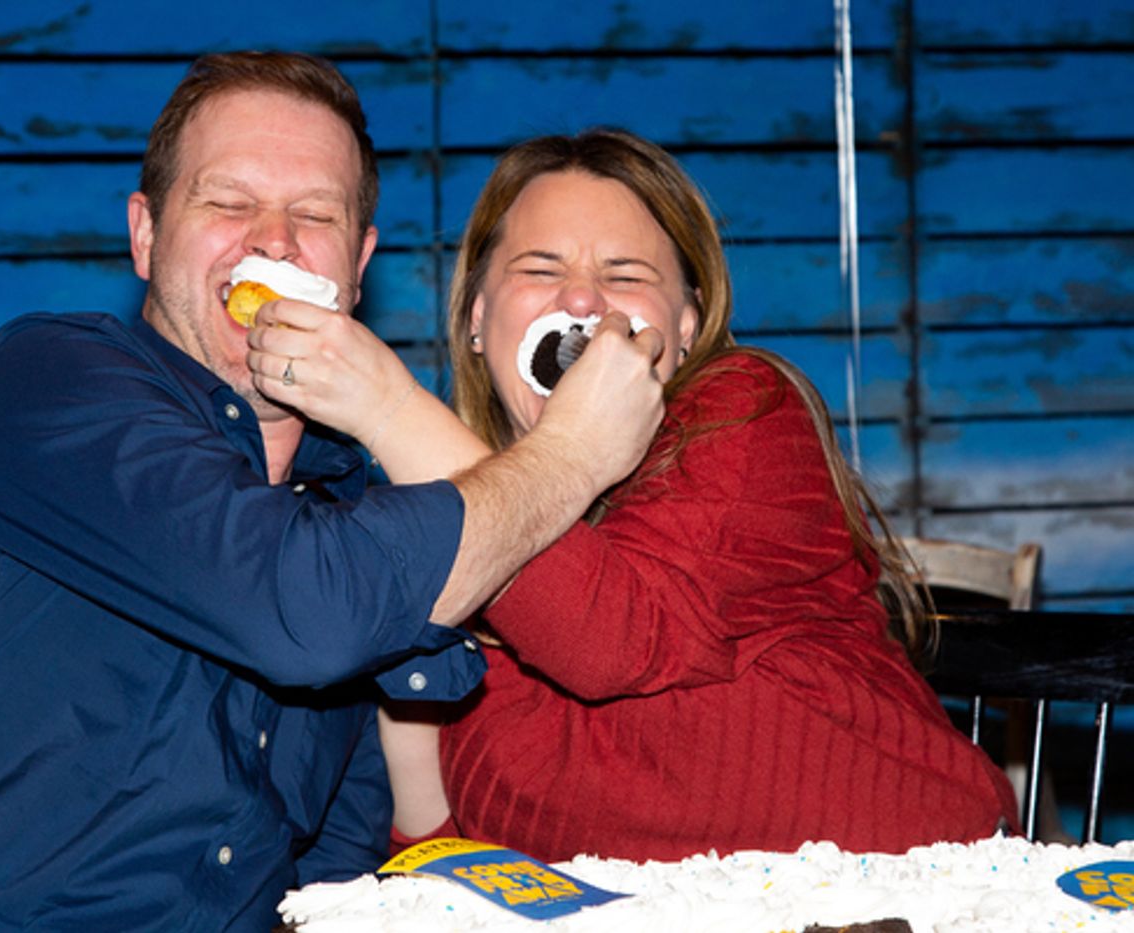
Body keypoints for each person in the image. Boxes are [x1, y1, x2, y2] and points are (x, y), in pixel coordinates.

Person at [0, 57, 669, 932]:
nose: (273, 241)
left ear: (356, 266)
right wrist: (575, 453)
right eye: (228, 203)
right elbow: (305, 607)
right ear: (146, 235)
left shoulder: (348, 515)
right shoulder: (51, 379)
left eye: (313, 214)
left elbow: (334, 873)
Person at [246, 128, 1021, 865]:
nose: (583, 302)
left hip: (913, 890)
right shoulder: (430, 529)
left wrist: (387, 406)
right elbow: (442, 845)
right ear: (479, 320)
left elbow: (609, 637)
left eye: (625, 276)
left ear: (684, 328)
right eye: (541, 269)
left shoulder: (745, 411)